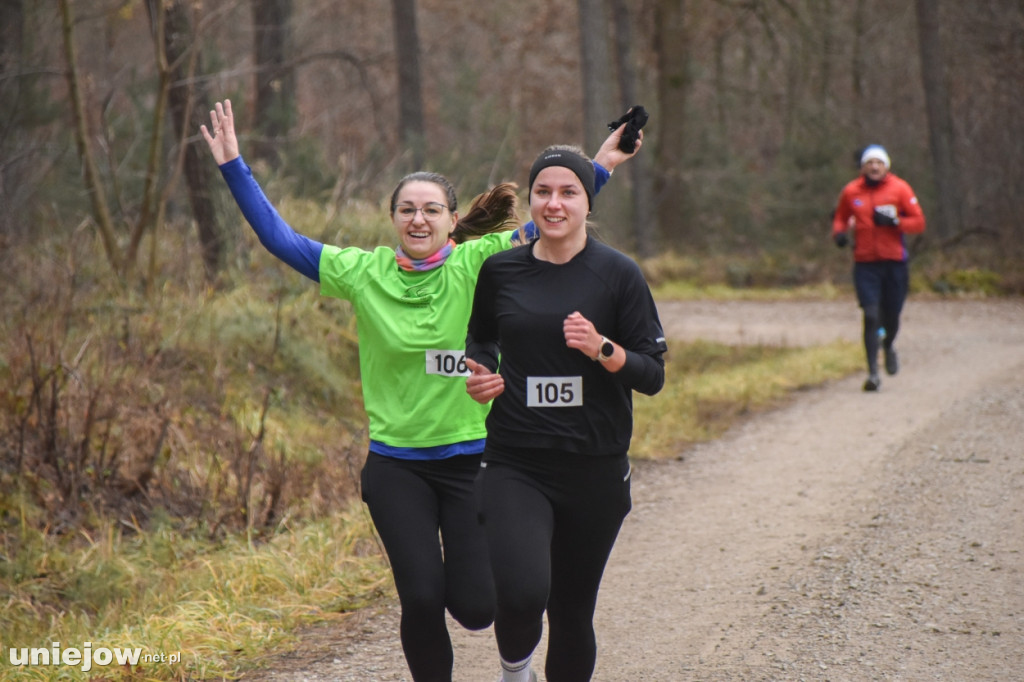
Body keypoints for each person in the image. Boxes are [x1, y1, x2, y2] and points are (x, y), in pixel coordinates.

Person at [200, 99, 640, 682]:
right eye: (406, 209)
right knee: (422, 598)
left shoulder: (483, 264)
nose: (418, 220)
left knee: (480, 608)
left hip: (475, 460)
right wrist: (234, 165)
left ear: (452, 220)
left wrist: (605, 159)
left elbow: (558, 211)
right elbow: (281, 240)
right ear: (392, 219)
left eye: (431, 210)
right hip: (396, 465)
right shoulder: (363, 273)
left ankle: (517, 665)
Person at [465, 145, 667, 682]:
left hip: (594, 465)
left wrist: (602, 348)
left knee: (572, 611)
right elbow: (481, 337)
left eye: (568, 193)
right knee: (521, 591)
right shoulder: (500, 270)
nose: (554, 204)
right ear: (531, 200)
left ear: (587, 203)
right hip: (515, 461)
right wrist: (481, 372)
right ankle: (515, 672)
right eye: (543, 192)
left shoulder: (618, 274)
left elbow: (652, 374)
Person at [832, 144, 926, 392]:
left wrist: (895, 221)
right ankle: (873, 372)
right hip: (865, 264)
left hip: (894, 262)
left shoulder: (900, 189)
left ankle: (888, 344)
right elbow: (840, 217)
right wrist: (839, 234)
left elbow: (918, 222)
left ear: (886, 166)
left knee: (891, 316)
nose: (874, 167)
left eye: (879, 163)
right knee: (871, 315)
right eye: (869, 163)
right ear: (863, 167)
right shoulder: (851, 191)